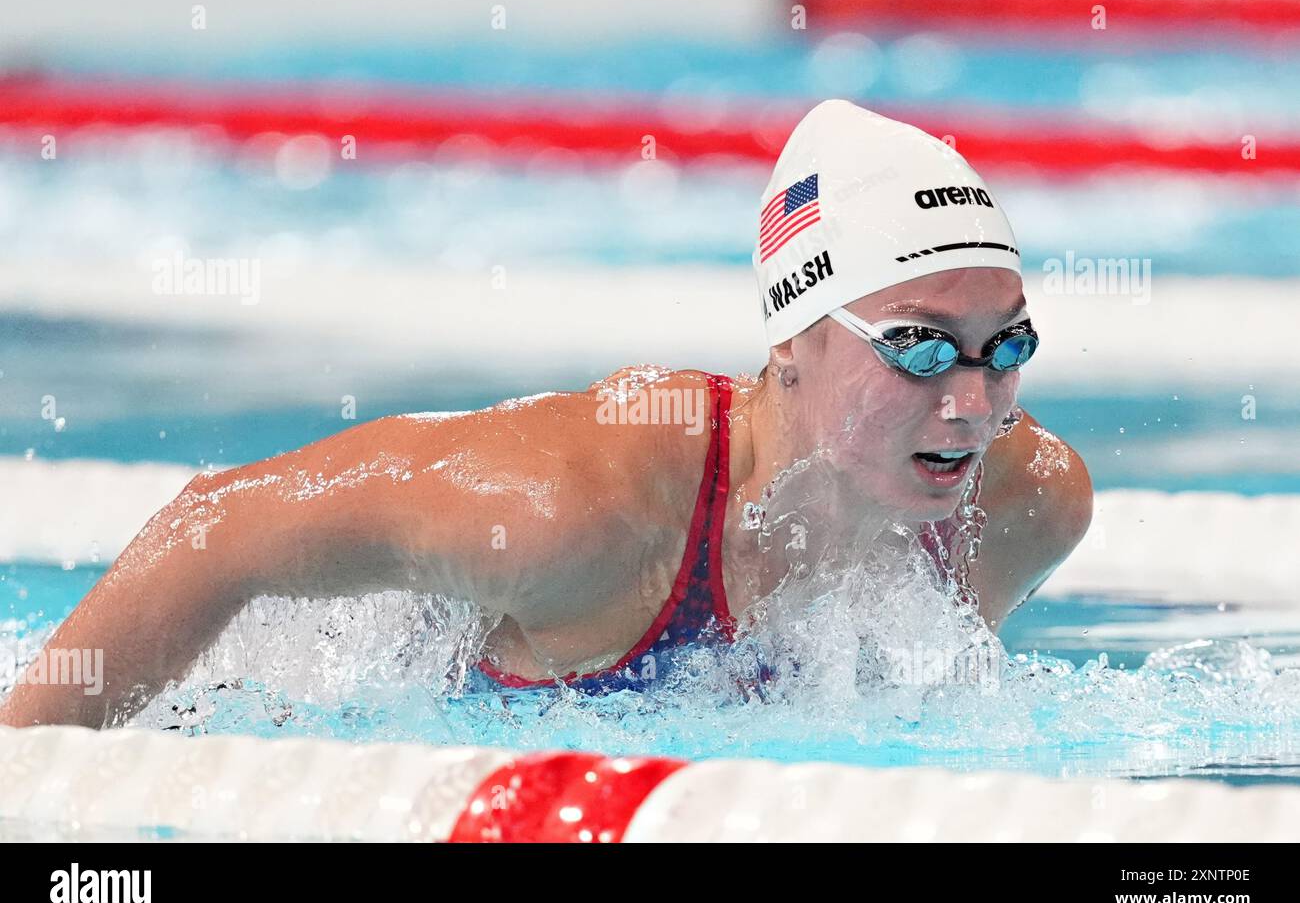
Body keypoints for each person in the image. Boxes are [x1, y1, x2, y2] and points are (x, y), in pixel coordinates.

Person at [0, 99, 1092, 727]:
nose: (970, 401)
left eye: (1007, 348)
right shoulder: (571, 508)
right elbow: (218, 524)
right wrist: (34, 780)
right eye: (915, 345)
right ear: (790, 342)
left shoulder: (1021, 506)